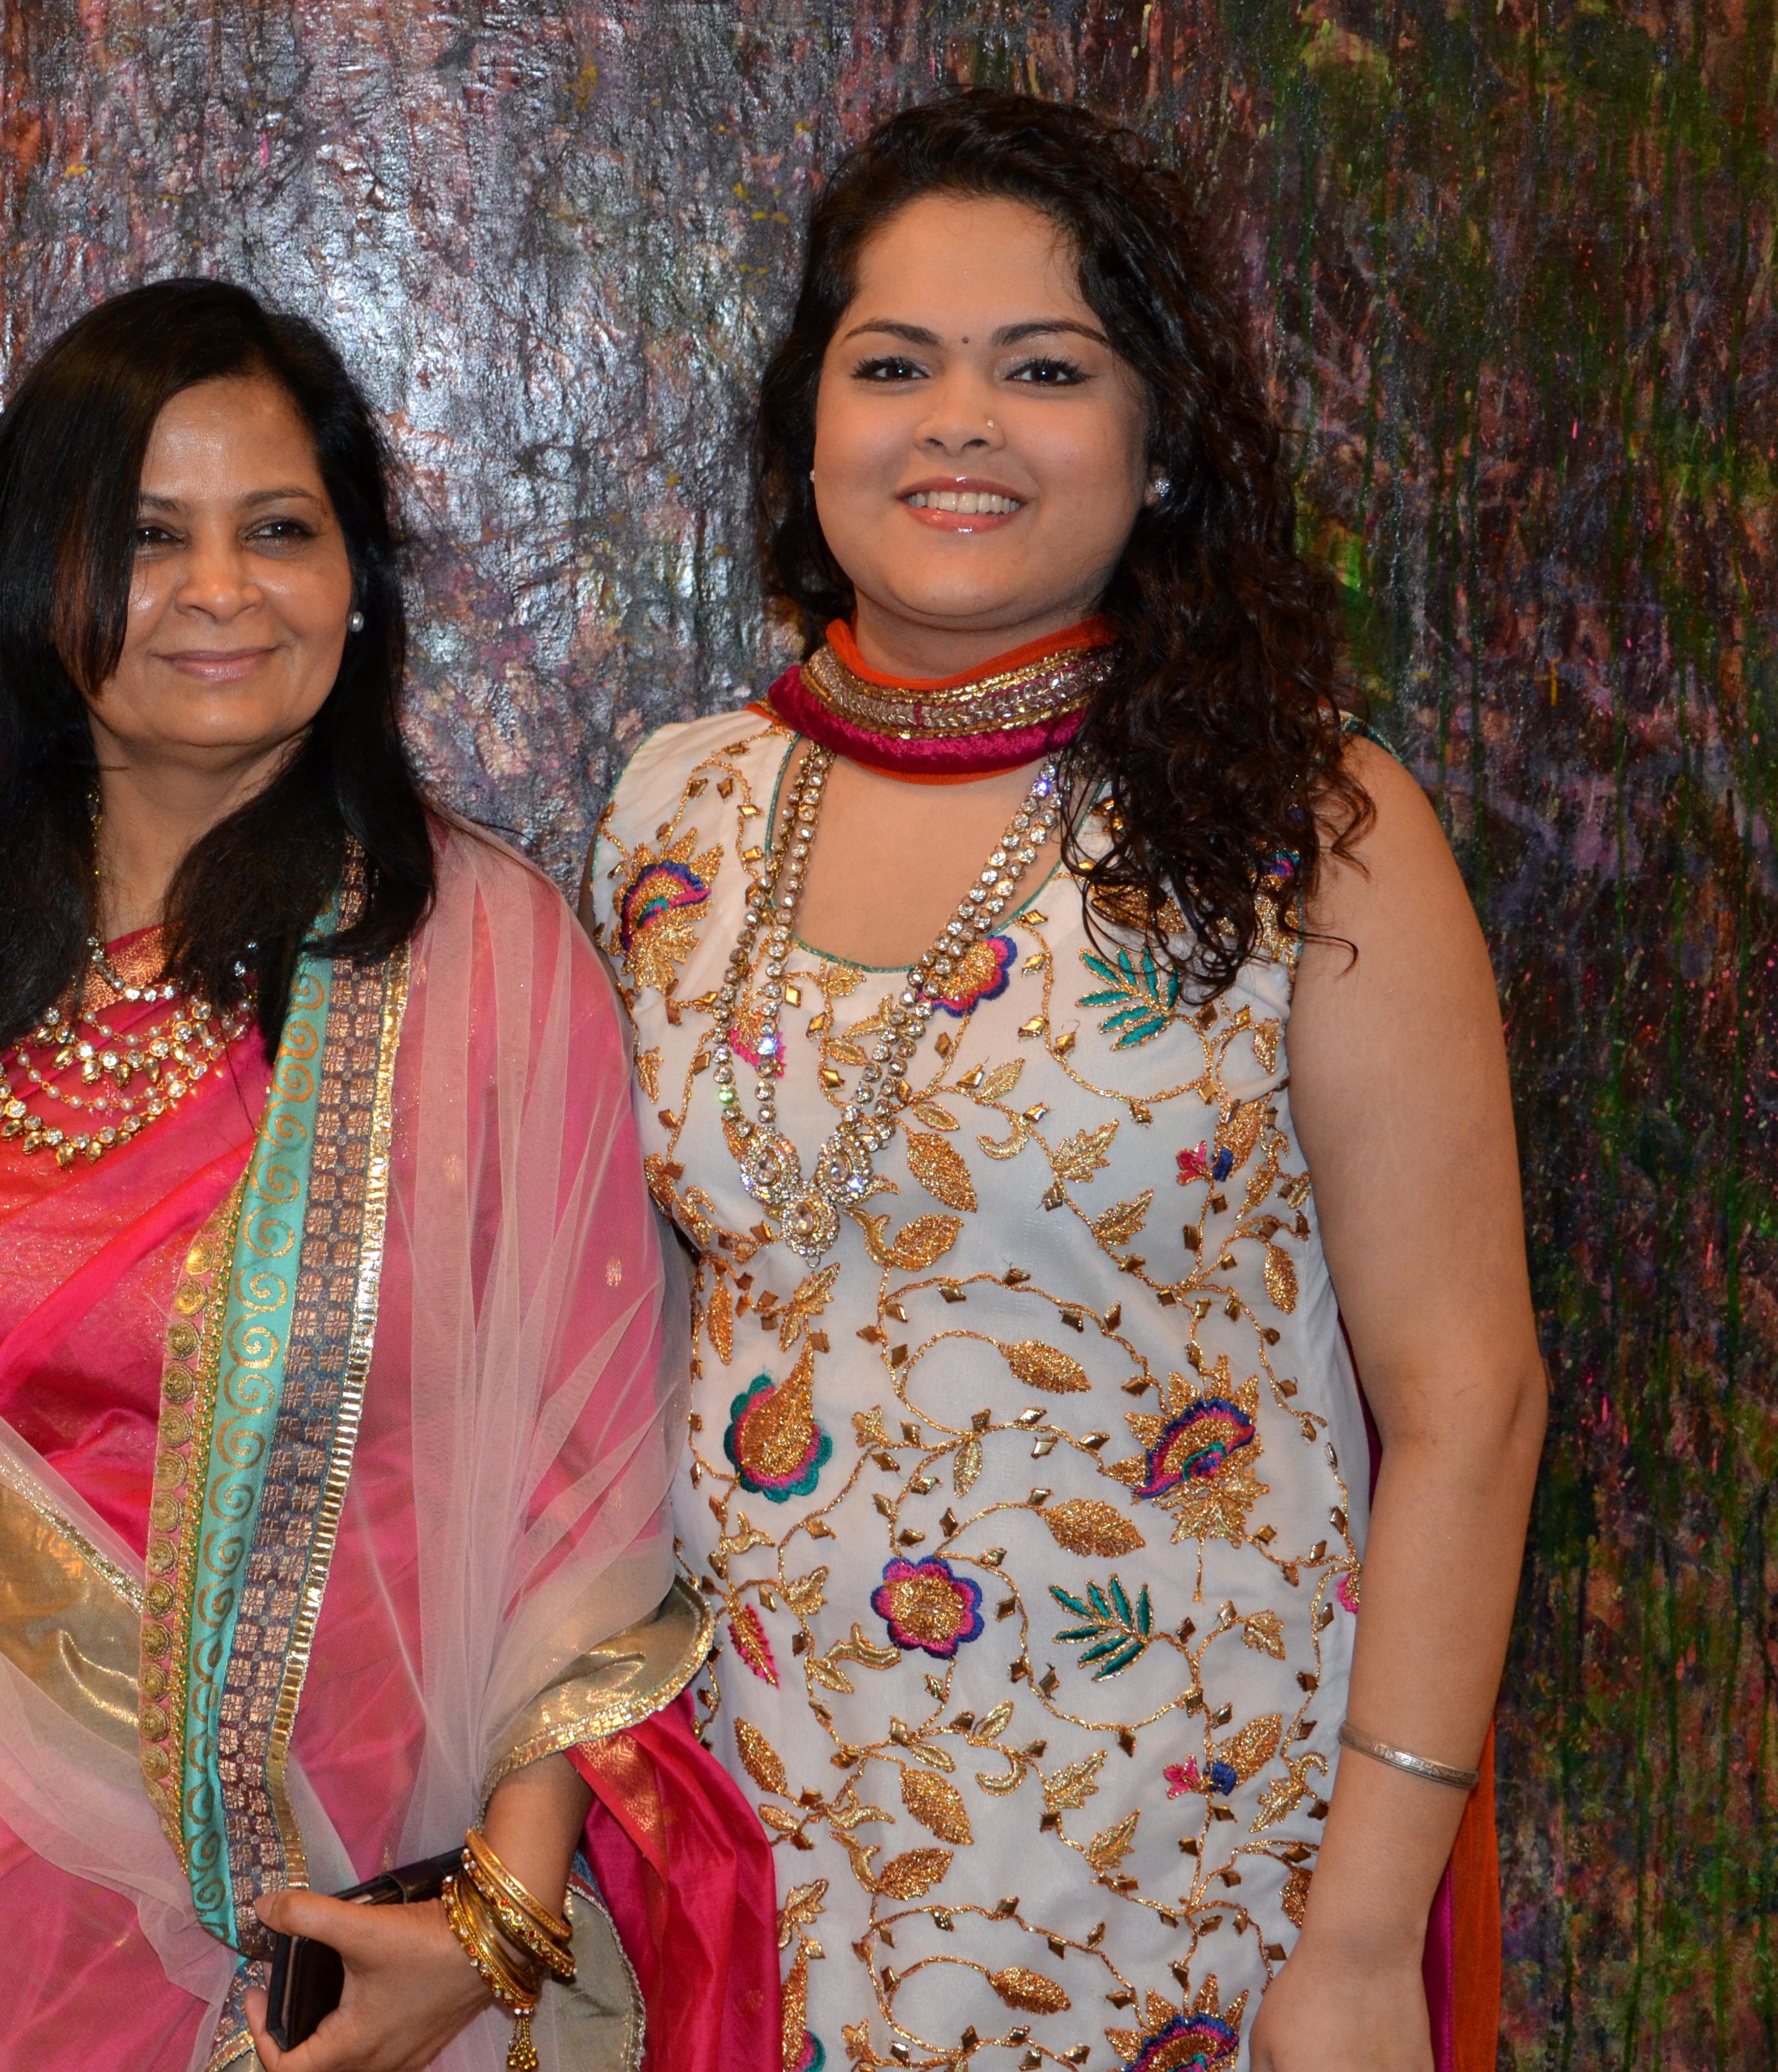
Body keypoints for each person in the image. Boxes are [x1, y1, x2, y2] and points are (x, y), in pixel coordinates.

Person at [590, 92, 1545, 2072]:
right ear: (809, 426)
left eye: (1045, 368)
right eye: (894, 365)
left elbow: (1473, 1399)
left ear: (1158, 439)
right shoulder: (675, 813)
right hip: (775, 1838)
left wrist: (1364, 1940)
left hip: (1198, 1865)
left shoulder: (1306, 824)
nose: (961, 423)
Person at [0, 279, 776, 2072]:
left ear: (357, 584)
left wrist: (496, 1915)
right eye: (148, 538)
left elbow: (582, 1480)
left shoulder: (476, 959)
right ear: (35, 583)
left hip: (343, 1895)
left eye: (278, 530)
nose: (220, 589)